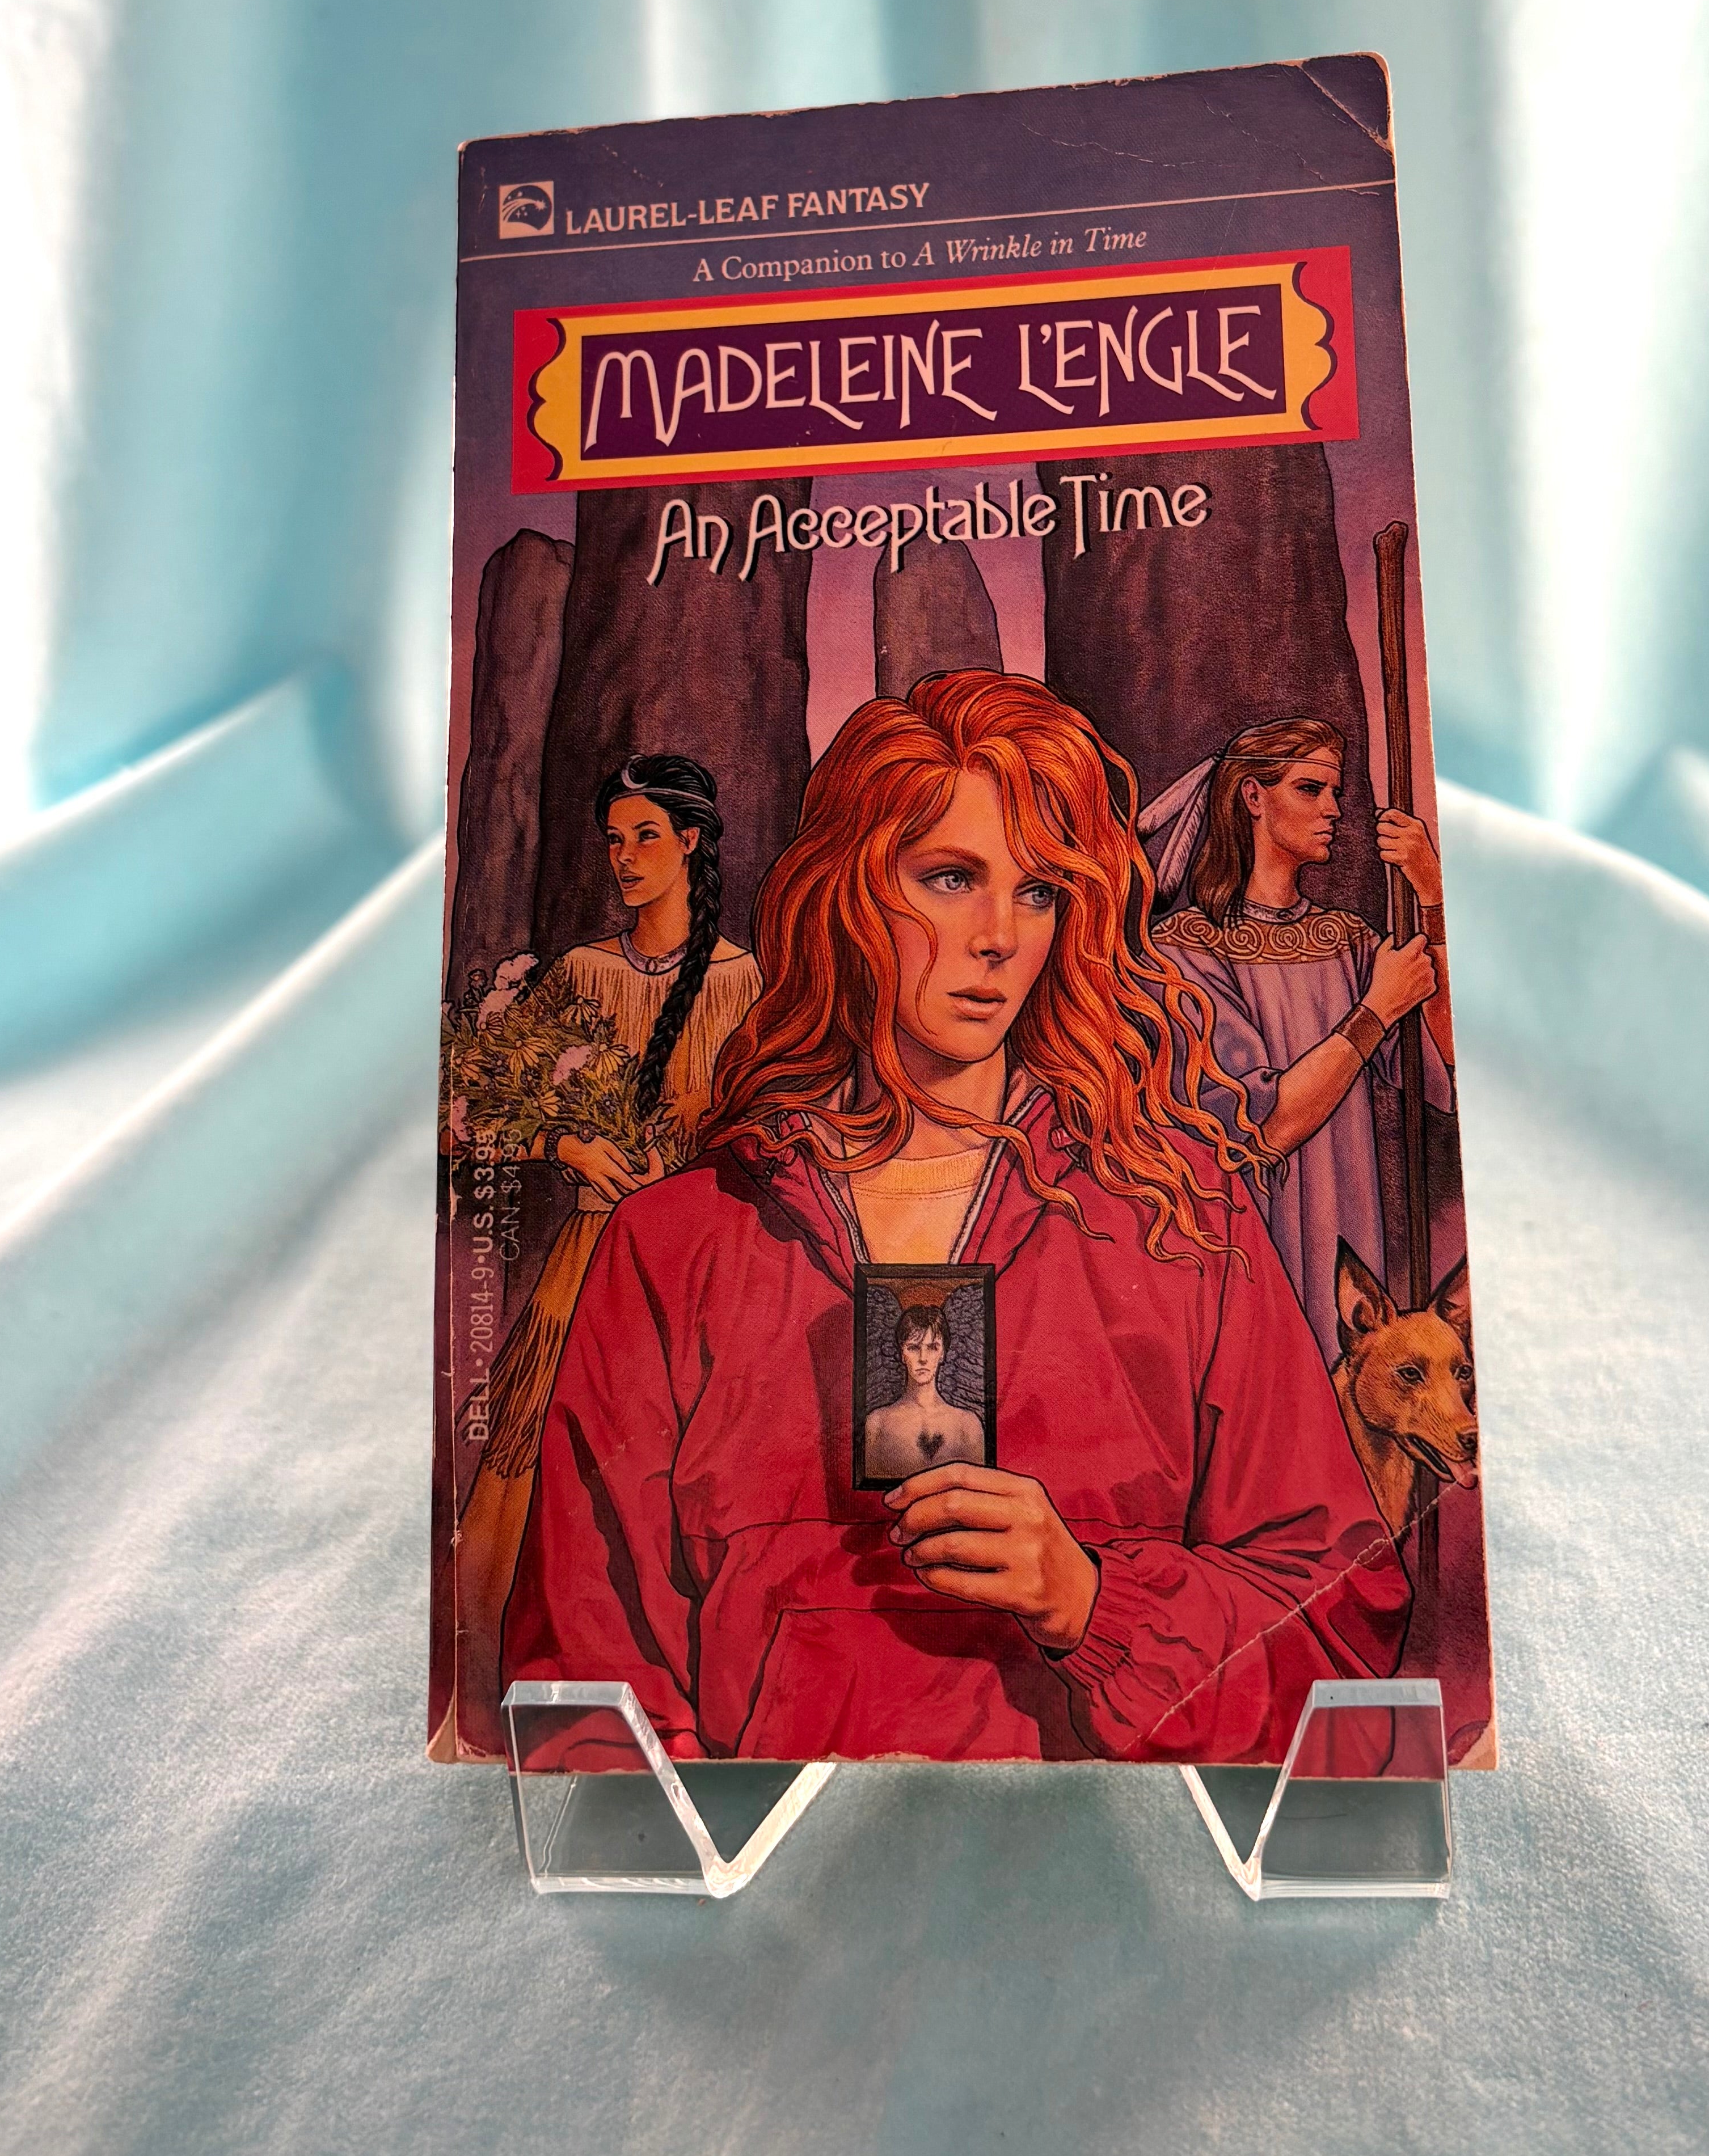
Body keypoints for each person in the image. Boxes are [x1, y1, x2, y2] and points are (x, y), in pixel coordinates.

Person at [504, 673, 1408, 1766]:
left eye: (1038, 892)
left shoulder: (1178, 1222)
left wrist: (1093, 1601)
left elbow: (1340, 1628)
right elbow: (583, 1675)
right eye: (949, 877)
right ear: (848, 893)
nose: (997, 937)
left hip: (1104, 1853)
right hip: (771, 1863)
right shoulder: (677, 1240)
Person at [441, 753, 759, 1760]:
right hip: (584, 1265)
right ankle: (502, 1711)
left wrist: (693, 1171)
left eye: (645, 837)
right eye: (613, 841)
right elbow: (464, 1115)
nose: (624, 858)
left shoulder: (743, 981)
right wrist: (566, 1144)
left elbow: (771, 1133)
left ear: (692, 841)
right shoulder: (580, 974)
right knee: (539, 1485)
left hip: (701, 1268)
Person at [1146, 719, 1454, 1363]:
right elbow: (1265, 1127)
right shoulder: (1186, 952)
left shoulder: (1348, 941)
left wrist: (1433, 900)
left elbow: (1448, 1070)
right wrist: (1375, 1011)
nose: (1333, 810)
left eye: (1336, 792)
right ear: (1253, 797)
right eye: (1311, 789)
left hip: (1351, 1228)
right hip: (1254, 1231)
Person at [862, 1300, 984, 1479]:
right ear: (902, 1354)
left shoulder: (968, 1426)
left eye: (933, 1347)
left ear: (943, 1354)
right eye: (913, 1348)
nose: (923, 1358)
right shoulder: (877, 1424)